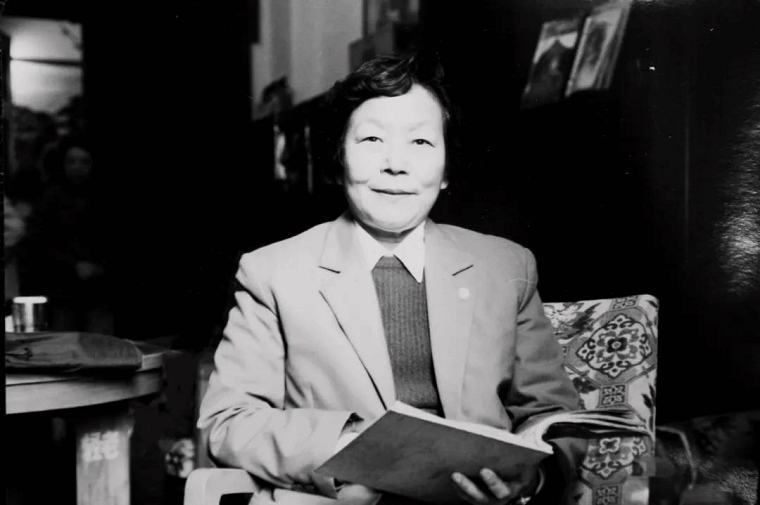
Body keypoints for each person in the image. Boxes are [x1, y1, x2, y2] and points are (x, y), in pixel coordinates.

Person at [199, 51, 582, 505]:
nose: (395, 164)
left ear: (445, 170)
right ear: (339, 159)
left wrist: (531, 479)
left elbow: (555, 416)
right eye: (372, 139)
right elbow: (229, 421)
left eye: (420, 142)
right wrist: (346, 447)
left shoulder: (506, 267)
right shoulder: (272, 272)